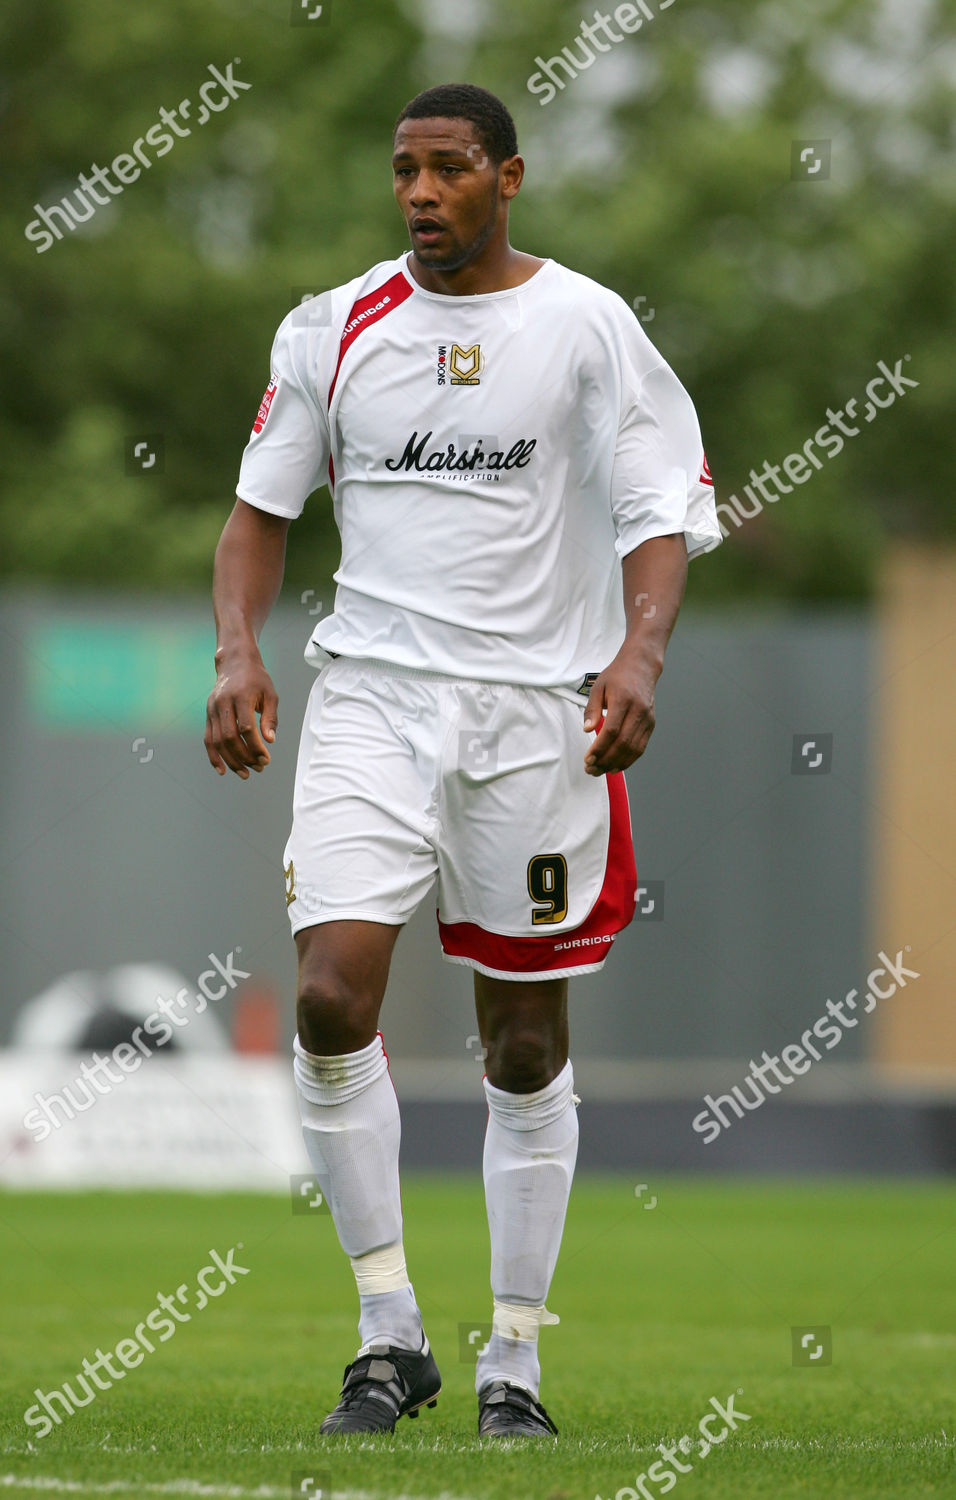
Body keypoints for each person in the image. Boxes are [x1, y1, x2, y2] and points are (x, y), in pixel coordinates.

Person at [204, 81, 720, 1441]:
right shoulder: (333, 326)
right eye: (405, 170)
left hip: (538, 718)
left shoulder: (587, 325)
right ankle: (388, 1335)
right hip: (370, 703)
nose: (421, 193)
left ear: (509, 175)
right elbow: (258, 512)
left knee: (525, 1041)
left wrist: (639, 660)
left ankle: (514, 1361)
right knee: (330, 995)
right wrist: (238, 655)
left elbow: (660, 512)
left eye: (448, 167)